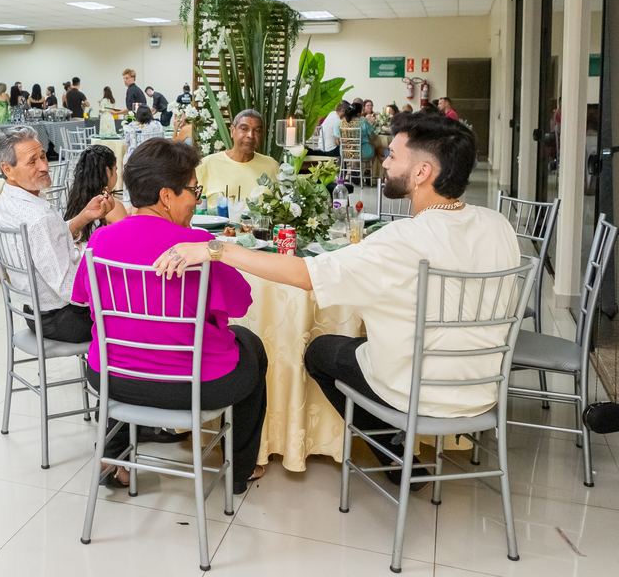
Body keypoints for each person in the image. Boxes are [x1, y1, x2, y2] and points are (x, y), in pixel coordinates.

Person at [156, 113, 517, 485]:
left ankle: (395, 454)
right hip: (483, 386)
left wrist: (217, 249)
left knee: (320, 351)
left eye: (393, 156)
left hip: (416, 390)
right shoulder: (497, 224)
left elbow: (306, 275)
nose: (385, 162)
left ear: (422, 172)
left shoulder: (402, 239)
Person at [74, 138, 267, 492]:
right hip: (190, 386)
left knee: (127, 342)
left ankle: (114, 458)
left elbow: (84, 300)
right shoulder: (198, 247)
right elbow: (241, 304)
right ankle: (240, 472)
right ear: (166, 196)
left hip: (112, 378)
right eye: (193, 190)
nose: (196, 200)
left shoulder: (100, 242)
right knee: (252, 346)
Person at [0, 126, 114, 343]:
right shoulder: (39, 217)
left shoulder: (8, 198)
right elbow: (69, 289)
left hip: (34, 311)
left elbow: (49, 239)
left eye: (43, 156)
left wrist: (84, 216)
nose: (44, 166)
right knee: (135, 306)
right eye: (32, 162)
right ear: (7, 169)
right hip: (62, 319)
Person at [196, 109, 278, 202]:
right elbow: (192, 203)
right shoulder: (207, 165)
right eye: (244, 129)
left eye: (257, 131)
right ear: (232, 131)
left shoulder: (271, 166)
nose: (250, 135)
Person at [64, 145, 127, 242]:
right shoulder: (112, 206)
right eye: (115, 170)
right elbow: (127, 239)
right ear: (108, 172)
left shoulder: (75, 200)